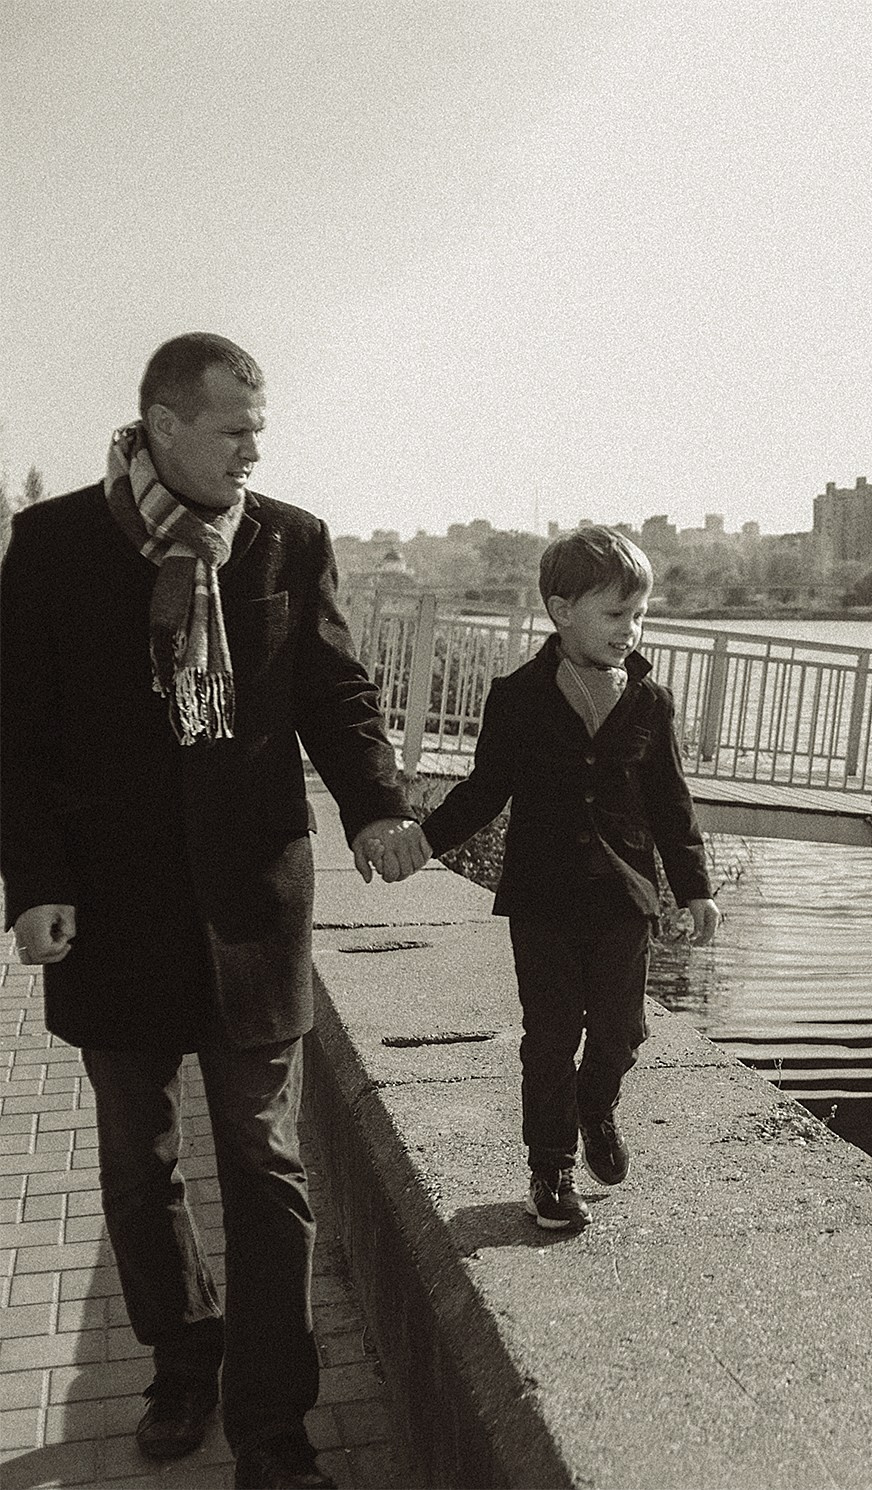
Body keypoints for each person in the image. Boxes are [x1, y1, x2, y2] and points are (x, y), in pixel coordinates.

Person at [0, 333, 430, 1489]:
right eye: (235, 425)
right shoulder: (48, 546)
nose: (255, 446)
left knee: (263, 1161)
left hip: (251, 898)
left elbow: (334, 690)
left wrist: (376, 804)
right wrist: (34, 882)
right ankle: (183, 1358)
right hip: (111, 907)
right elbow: (19, 733)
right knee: (140, 1169)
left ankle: (274, 1431)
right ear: (162, 423)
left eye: (260, 426)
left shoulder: (289, 537)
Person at [419, 527, 719, 1231]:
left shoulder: (651, 701)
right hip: (544, 897)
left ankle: (597, 1105)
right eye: (615, 615)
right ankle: (550, 1168)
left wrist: (696, 886)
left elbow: (671, 804)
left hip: (624, 897)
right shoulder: (517, 696)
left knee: (621, 1032)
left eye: (638, 615)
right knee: (550, 1035)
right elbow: (484, 791)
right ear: (561, 611)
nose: (630, 629)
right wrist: (422, 839)